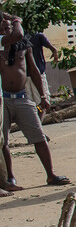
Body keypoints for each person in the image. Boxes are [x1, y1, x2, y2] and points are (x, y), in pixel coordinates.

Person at [1, 12, 67, 188]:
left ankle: (51, 175)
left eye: (9, 26)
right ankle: (10, 177)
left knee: (38, 136)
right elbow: (18, 34)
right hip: (3, 99)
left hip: (23, 97)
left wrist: (44, 95)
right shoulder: (1, 45)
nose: (7, 29)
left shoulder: (24, 45)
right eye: (3, 27)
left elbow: (35, 71)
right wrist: (16, 19)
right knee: (4, 142)